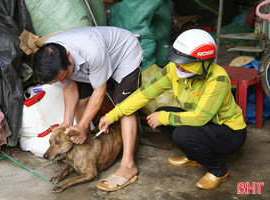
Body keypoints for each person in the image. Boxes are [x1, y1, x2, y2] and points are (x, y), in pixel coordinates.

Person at [99, 29, 247, 190]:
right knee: (161, 113)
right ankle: (194, 155)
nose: (178, 66)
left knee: (179, 132)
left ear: (204, 62)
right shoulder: (174, 69)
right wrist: (111, 115)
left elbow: (200, 118)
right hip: (206, 124)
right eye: (177, 60)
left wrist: (163, 117)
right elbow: (145, 93)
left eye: (185, 63)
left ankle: (218, 170)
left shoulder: (218, 79)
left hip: (229, 132)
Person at [33, 26, 143, 191]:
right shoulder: (51, 59)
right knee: (81, 100)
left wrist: (83, 126)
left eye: (64, 76)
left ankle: (128, 165)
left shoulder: (92, 49)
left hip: (123, 54)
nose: (62, 81)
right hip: (88, 64)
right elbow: (69, 88)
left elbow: (100, 91)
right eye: (58, 79)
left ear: (68, 56)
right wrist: (67, 122)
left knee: (125, 107)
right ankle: (88, 143)